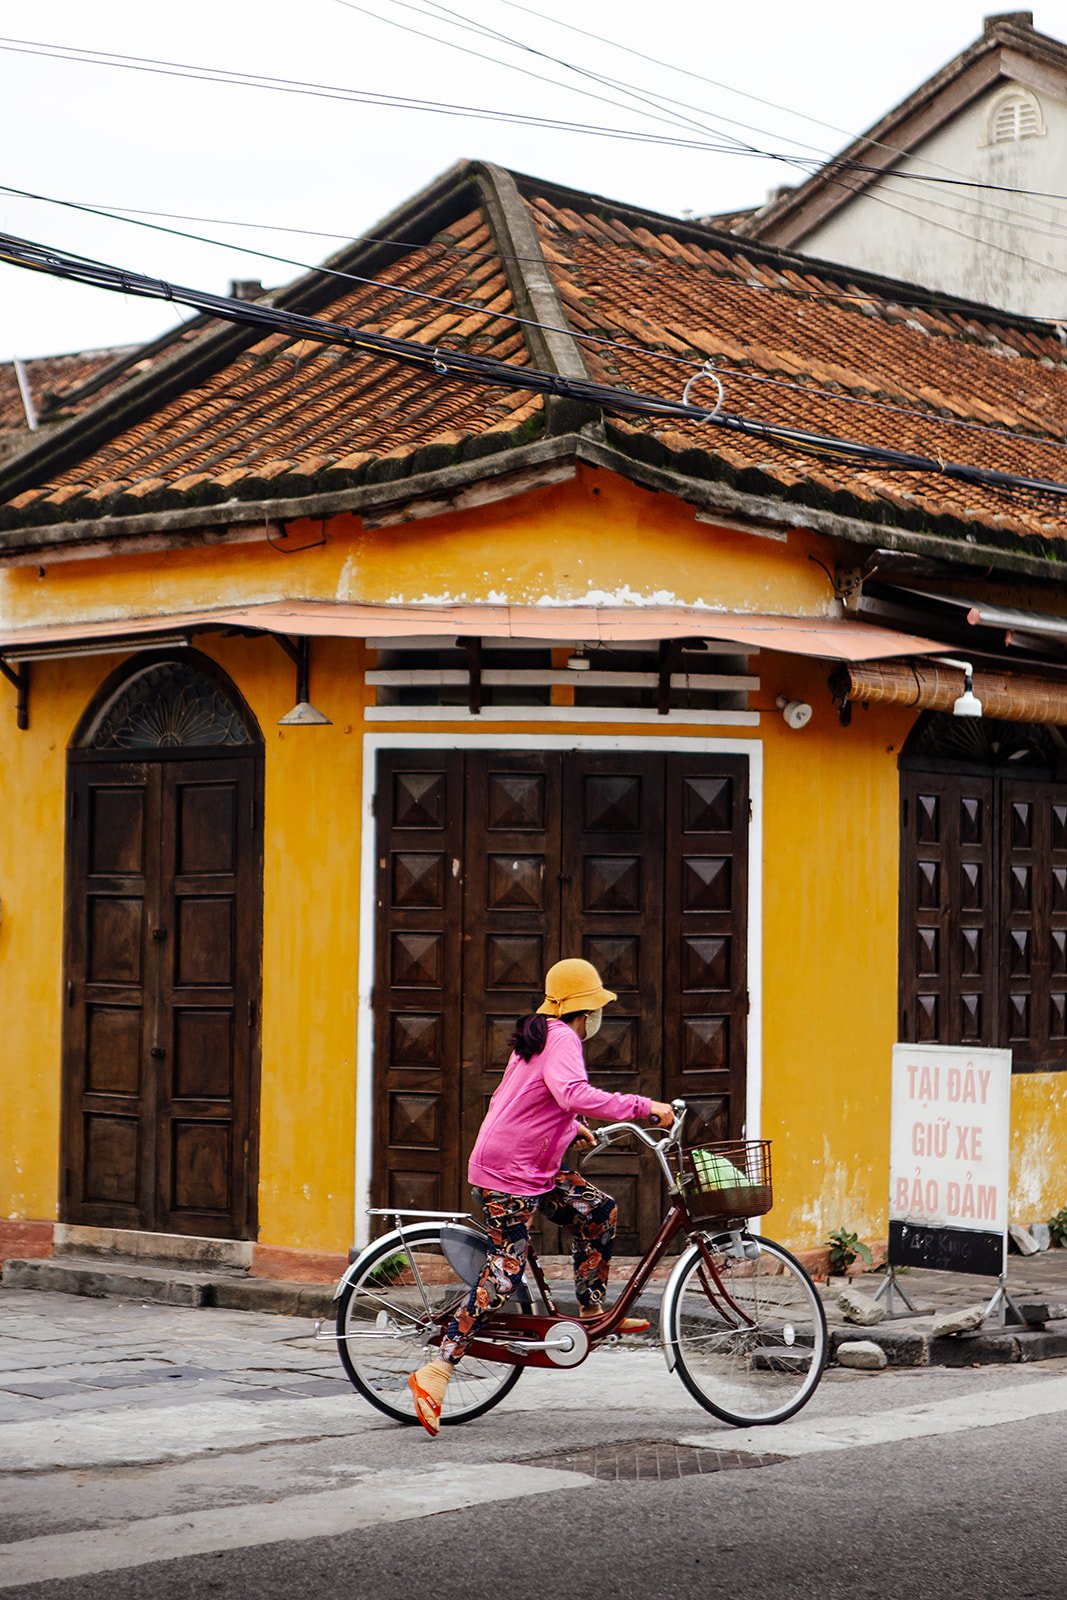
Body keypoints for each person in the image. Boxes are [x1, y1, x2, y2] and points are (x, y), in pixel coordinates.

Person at [408, 957, 674, 1437]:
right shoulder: (563, 1037)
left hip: (532, 1166)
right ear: (584, 1009)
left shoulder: (541, 1033)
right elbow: (571, 1090)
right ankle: (439, 1366)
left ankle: (593, 1312)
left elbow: (528, 1097)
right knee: (505, 1274)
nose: (598, 1018)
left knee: (597, 1211)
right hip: (509, 1173)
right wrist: (644, 1108)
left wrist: (571, 1128)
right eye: (597, 1008)